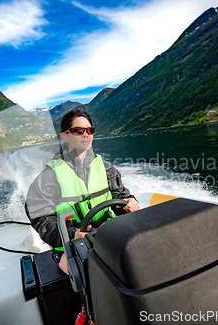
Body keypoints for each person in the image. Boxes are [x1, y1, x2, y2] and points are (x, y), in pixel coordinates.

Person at [25, 109, 139, 274]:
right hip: (70, 244)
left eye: (89, 130)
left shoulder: (106, 168)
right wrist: (73, 234)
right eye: (79, 131)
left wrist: (128, 203)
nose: (86, 134)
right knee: (87, 272)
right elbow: (40, 218)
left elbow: (121, 196)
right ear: (66, 136)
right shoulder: (50, 176)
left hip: (107, 234)